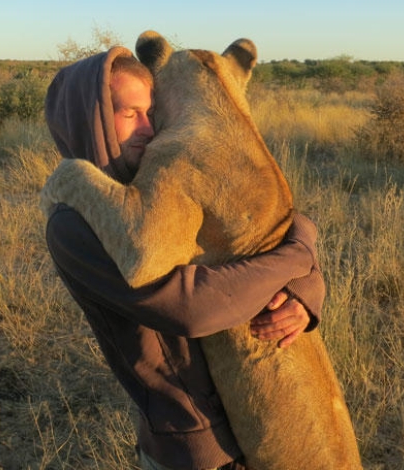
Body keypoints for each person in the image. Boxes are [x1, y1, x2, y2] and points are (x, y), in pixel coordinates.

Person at [43, 45, 325, 470]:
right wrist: (298, 256)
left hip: (249, 422)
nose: (148, 128)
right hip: (196, 446)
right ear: (90, 117)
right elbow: (193, 309)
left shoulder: (151, 184)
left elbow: (257, 231)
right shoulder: (74, 223)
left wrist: (306, 287)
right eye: (127, 113)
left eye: (150, 112)